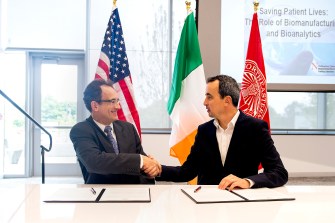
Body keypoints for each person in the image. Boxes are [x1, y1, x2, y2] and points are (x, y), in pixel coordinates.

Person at [156, 74, 288, 190]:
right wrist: (158, 169)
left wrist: (247, 182)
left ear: (227, 101)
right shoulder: (203, 131)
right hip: (205, 206)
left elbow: (279, 172)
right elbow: (187, 172)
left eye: (209, 97)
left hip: (241, 205)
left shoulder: (255, 128)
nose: (204, 102)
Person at [70, 79, 160, 184]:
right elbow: (94, 161)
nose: (118, 106)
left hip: (135, 193)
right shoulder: (81, 130)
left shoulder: (128, 128)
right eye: (112, 101)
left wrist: (152, 167)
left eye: (118, 101)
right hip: (102, 195)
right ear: (95, 106)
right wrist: (140, 161)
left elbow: (142, 163)